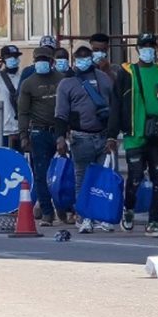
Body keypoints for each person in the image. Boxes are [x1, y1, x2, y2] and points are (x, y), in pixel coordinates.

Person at [55, 44, 117, 233]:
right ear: (74, 60)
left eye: (86, 58)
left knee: (101, 179)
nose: (83, 61)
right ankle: (84, 216)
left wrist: (113, 136)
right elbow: (61, 114)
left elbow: (114, 107)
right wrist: (60, 138)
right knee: (81, 178)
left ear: (91, 59)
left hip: (103, 136)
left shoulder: (104, 79)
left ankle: (99, 215)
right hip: (80, 137)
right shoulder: (66, 83)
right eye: (79, 58)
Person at [114, 33, 158, 237]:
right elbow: (116, 103)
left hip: (157, 134)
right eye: (144, 46)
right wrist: (113, 134)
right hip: (135, 134)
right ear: (137, 49)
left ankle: (153, 221)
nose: (148, 50)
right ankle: (128, 209)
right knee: (135, 176)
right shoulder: (127, 72)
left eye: (152, 46)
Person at [18, 46, 62, 226]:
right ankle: (46, 211)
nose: (41, 62)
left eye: (45, 59)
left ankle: (65, 208)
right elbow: (23, 112)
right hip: (38, 132)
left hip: (59, 131)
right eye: (38, 59)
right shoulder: (28, 83)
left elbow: (68, 107)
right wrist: (23, 135)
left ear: (52, 62)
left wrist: (65, 133)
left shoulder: (62, 80)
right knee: (41, 174)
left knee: (64, 173)